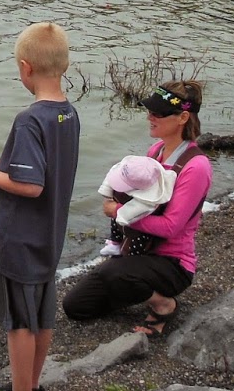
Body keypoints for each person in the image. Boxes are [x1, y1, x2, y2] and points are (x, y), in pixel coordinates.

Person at [0, 22, 80, 391]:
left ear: (25, 68)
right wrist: (3, 164)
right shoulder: (67, 114)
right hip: (48, 238)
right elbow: (43, 170)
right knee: (41, 318)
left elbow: (30, 185)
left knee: (18, 325)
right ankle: (30, 385)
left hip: (18, 244)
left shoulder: (29, 119)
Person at [63, 81, 212, 334]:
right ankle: (130, 285)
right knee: (75, 307)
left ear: (183, 117)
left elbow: (170, 227)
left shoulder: (196, 167)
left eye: (158, 113)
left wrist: (119, 213)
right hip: (138, 252)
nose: (150, 117)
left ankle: (165, 304)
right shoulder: (155, 152)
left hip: (173, 264)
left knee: (115, 273)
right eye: (150, 111)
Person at [95, 153, 175, 256]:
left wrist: (120, 214)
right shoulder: (132, 167)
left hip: (141, 225)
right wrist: (106, 191)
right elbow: (113, 173)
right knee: (114, 221)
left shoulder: (149, 201)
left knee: (138, 238)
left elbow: (134, 209)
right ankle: (115, 243)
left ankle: (132, 256)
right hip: (126, 208)